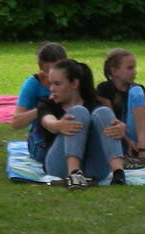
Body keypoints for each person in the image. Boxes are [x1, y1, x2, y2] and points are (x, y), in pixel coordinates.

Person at [37, 59, 128, 188]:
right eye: (51, 84)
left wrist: (119, 127)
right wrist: (58, 125)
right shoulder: (47, 103)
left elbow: (110, 122)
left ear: (74, 83)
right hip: (59, 165)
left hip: (93, 168)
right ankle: (74, 174)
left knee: (104, 112)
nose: (52, 89)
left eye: (57, 84)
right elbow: (47, 121)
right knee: (78, 112)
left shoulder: (93, 104)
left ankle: (118, 173)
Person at [11, 41, 68, 163]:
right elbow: (16, 123)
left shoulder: (73, 81)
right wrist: (43, 108)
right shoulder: (32, 85)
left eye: (58, 73)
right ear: (41, 69)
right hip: (42, 138)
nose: (52, 78)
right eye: (48, 72)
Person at [97, 48, 145, 167]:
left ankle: (142, 151)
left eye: (134, 68)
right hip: (117, 136)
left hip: (137, 138)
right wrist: (129, 141)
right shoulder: (105, 88)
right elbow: (110, 121)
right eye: (130, 68)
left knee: (137, 91)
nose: (134, 72)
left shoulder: (138, 89)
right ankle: (129, 152)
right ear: (114, 71)